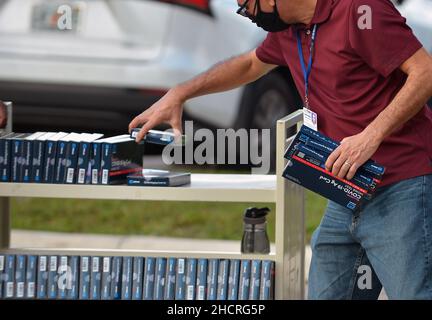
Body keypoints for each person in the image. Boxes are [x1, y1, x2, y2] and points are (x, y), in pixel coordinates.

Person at [128, 0, 432, 299]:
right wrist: (180, 93)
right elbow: (249, 65)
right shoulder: (291, 30)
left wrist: (371, 136)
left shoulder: (360, 9)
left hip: (401, 185)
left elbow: (425, 72)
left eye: (247, 3)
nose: (246, 13)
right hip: (347, 190)